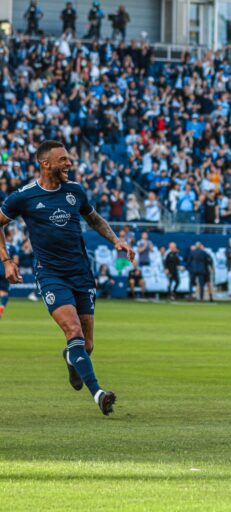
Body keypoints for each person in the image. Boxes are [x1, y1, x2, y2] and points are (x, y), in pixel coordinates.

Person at [0, 140, 134, 416]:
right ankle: (98, 394)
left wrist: (116, 240)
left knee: (86, 345)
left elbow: (94, 219)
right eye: (63, 160)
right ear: (45, 164)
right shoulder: (24, 196)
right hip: (51, 275)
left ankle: (72, 359)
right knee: (73, 331)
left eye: (69, 159)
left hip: (81, 273)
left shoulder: (75, 191)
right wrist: (7, 260)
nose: (69, 164)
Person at [0, 236, 18, 320]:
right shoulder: (12, 247)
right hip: (5, 270)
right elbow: (16, 261)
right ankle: (1, 308)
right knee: (4, 291)